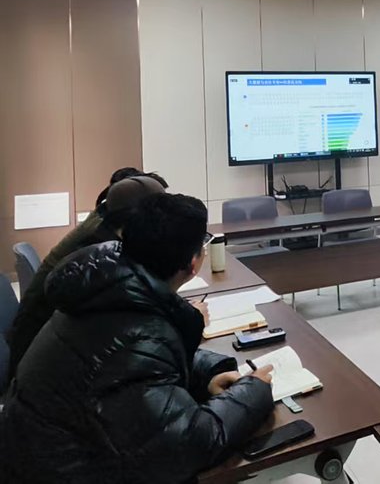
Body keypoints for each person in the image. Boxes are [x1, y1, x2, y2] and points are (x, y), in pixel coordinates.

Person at [0, 194, 275, 484]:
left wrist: (205, 375)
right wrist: (253, 392)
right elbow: (186, 446)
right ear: (194, 263)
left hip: (40, 454)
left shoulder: (103, 285)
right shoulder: (138, 329)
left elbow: (135, 364)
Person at [6, 174, 168, 376]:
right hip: (47, 366)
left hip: (40, 351)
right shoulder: (99, 255)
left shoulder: (101, 229)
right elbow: (127, 316)